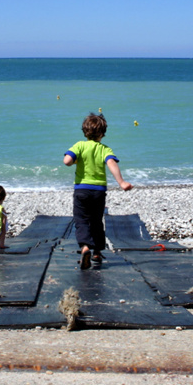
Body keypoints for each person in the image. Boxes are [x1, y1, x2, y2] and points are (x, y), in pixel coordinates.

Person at [63, 113, 133, 269]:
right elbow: (112, 164)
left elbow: (67, 161)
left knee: (81, 220)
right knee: (96, 220)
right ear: (102, 133)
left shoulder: (79, 146)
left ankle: (85, 247)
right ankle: (96, 252)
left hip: (81, 190)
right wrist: (121, 182)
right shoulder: (104, 149)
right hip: (98, 191)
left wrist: (75, 160)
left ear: (84, 131)